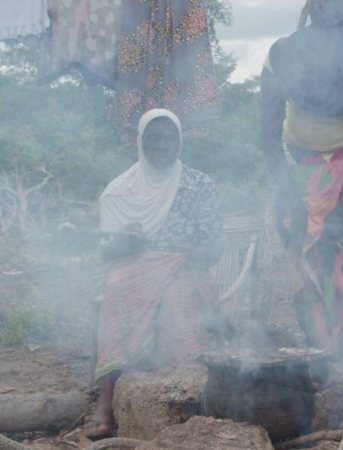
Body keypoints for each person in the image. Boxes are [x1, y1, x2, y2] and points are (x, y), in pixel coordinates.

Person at [259, 0, 343, 377]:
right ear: (312, 6)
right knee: (305, 267)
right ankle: (322, 360)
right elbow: (267, 134)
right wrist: (289, 196)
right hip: (296, 168)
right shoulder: (281, 54)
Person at [83, 109, 223, 438]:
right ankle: (106, 400)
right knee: (116, 285)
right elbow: (107, 254)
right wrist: (125, 241)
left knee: (177, 296)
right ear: (140, 142)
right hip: (133, 274)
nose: (162, 144)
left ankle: (188, 394)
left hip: (186, 272)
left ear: (181, 141)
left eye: (170, 136)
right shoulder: (120, 190)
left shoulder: (199, 184)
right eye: (153, 137)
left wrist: (188, 256)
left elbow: (214, 250)